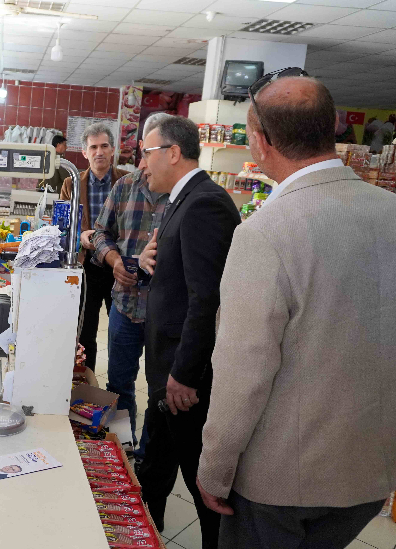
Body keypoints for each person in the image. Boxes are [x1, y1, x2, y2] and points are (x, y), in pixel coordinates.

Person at [197, 75, 396, 549]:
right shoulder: (391, 211)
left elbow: (243, 370)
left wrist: (214, 469)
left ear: (261, 142)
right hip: (368, 474)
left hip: (281, 483)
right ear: (332, 128)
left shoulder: (265, 232)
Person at [136, 115, 240, 548]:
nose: (141, 164)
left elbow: (207, 300)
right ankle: (144, 535)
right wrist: (145, 266)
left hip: (184, 380)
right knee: (152, 471)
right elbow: (177, 280)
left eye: (146, 153)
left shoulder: (205, 203)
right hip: (166, 373)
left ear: (173, 153)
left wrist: (184, 374)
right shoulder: (179, 201)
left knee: (203, 485)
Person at [90, 113, 171, 459]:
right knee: (119, 386)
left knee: (161, 394)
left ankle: (149, 459)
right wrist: (114, 261)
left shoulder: (183, 196)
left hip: (164, 315)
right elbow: (98, 233)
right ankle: (123, 449)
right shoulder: (124, 187)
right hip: (124, 307)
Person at [60, 122, 128, 372]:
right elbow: (63, 226)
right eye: (93, 147)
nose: (99, 152)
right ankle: (86, 381)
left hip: (119, 267)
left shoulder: (128, 182)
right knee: (85, 330)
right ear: (85, 152)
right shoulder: (72, 184)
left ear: (112, 150)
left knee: (120, 331)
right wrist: (81, 235)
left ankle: (117, 385)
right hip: (86, 266)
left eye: (104, 146)